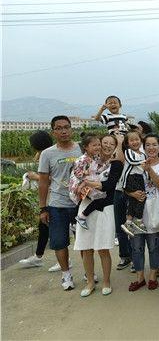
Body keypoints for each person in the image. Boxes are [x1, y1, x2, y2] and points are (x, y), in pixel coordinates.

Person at [74, 134, 124, 297]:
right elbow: (77, 177)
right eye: (105, 143)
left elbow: (109, 186)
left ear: (116, 146)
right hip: (86, 204)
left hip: (104, 209)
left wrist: (89, 184)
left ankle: (106, 281)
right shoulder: (88, 161)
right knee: (86, 248)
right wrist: (82, 187)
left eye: (112, 143)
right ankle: (90, 282)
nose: (108, 146)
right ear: (99, 144)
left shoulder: (116, 164)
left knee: (103, 248)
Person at [38, 116, 83, 290]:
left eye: (66, 127)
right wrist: (43, 207)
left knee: (85, 239)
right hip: (57, 204)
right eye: (59, 128)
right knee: (59, 241)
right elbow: (43, 181)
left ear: (71, 129)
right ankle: (66, 275)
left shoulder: (81, 149)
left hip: (81, 203)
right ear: (53, 132)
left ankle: (89, 271)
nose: (63, 131)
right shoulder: (47, 154)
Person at [19, 130, 71, 271]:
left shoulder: (48, 153)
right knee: (44, 227)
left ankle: (63, 260)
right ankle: (39, 256)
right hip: (51, 197)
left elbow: (49, 178)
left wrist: (33, 176)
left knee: (55, 230)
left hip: (54, 198)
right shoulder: (47, 153)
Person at [128, 134, 159, 291]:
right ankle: (140, 278)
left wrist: (149, 169)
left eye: (154, 145)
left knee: (154, 246)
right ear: (143, 147)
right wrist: (132, 194)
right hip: (135, 210)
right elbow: (125, 185)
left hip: (155, 211)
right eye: (148, 145)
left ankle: (153, 275)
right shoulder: (134, 163)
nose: (151, 148)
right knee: (136, 246)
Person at [69, 133, 108, 230]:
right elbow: (77, 172)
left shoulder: (96, 157)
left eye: (99, 145)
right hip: (80, 183)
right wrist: (85, 173)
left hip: (89, 182)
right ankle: (75, 221)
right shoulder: (82, 159)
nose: (98, 147)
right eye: (94, 145)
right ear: (86, 147)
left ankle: (77, 219)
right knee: (87, 200)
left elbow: (98, 168)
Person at [120, 130, 148, 235]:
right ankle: (138, 220)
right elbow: (132, 161)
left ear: (140, 141)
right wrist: (144, 162)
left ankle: (128, 222)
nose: (135, 142)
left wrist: (148, 178)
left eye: (137, 139)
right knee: (141, 197)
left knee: (133, 200)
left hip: (139, 178)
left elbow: (145, 169)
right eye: (131, 140)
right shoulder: (128, 152)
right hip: (130, 178)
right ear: (127, 143)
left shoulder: (143, 154)